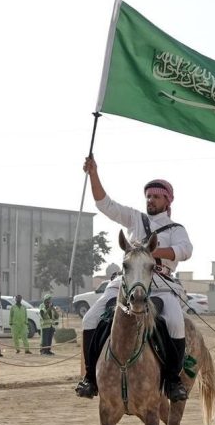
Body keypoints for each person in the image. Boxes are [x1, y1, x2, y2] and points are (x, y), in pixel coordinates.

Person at [82, 156, 193, 402]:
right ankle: (90, 377)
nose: (150, 200)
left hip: (161, 284)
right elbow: (105, 204)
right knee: (90, 319)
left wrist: (150, 254)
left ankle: (173, 381)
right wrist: (93, 174)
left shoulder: (176, 229)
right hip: (127, 283)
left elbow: (184, 251)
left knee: (175, 322)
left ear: (167, 200)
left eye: (156, 196)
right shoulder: (134, 218)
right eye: (148, 197)